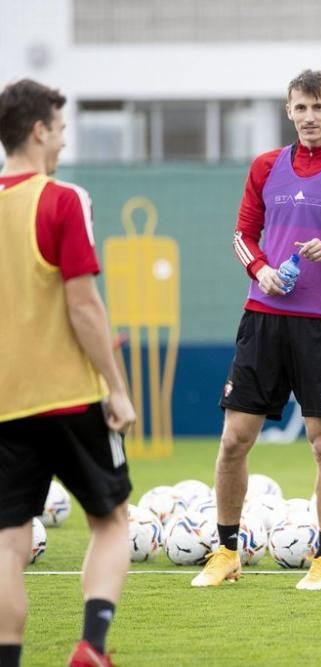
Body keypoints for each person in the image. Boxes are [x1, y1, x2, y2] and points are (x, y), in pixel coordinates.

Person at [191, 69, 321, 591]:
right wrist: (260, 270)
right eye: (300, 108)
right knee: (234, 440)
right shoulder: (266, 166)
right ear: (288, 112)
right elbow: (242, 235)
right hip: (262, 320)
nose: (309, 117)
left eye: (318, 108)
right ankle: (226, 552)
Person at [0, 79, 136, 667]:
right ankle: (92, 646)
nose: (62, 140)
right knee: (111, 522)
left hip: (5, 403)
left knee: (8, 542)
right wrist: (117, 388)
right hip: (70, 395)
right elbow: (83, 306)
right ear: (38, 130)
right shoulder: (60, 201)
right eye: (59, 129)